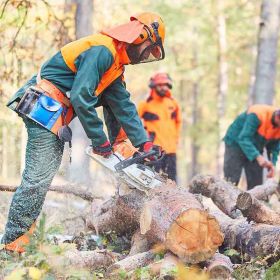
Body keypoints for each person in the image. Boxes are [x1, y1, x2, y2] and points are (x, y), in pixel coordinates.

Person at [2, 12, 166, 253]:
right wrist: (99, 141)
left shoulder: (115, 65)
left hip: (55, 109)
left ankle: (23, 238)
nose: (145, 56)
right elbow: (81, 96)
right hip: (43, 104)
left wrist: (144, 144)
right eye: (147, 49)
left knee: (114, 95)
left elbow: (123, 105)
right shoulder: (102, 51)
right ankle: (12, 244)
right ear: (140, 36)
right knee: (38, 178)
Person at [223, 104, 280, 189]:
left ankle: (251, 202)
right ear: (277, 117)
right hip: (235, 144)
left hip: (255, 147)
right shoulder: (258, 114)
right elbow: (243, 138)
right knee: (231, 180)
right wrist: (257, 156)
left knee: (256, 183)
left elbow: (274, 149)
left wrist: (272, 165)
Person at [138, 73, 182, 181]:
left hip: (171, 150)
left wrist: (175, 140)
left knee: (172, 181)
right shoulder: (145, 104)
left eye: (165, 85)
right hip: (154, 151)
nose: (163, 88)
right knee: (152, 180)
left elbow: (178, 122)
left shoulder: (173, 103)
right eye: (160, 85)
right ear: (154, 86)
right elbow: (134, 122)